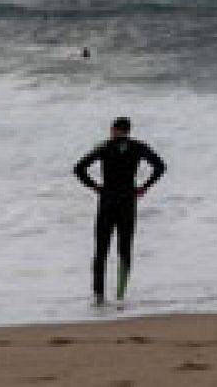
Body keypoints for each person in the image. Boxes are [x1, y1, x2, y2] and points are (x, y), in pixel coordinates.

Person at [74, 117, 166, 305]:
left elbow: (79, 168)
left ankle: (99, 296)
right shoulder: (139, 147)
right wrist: (144, 187)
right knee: (124, 249)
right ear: (128, 131)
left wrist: (95, 187)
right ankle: (120, 295)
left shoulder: (104, 146)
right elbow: (160, 166)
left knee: (101, 250)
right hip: (127, 202)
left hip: (107, 201)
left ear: (114, 129)